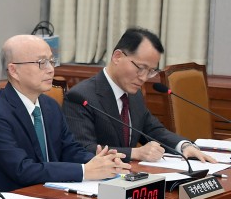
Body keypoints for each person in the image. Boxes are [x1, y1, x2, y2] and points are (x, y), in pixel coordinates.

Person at [0, 35, 129, 195]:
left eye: (51, 61)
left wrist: (99, 162)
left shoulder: (50, 106)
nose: (50, 69)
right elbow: (22, 169)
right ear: (14, 70)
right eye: (41, 63)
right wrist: (84, 171)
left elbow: (69, 149)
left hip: (48, 193)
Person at [63, 28, 216, 163]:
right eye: (140, 68)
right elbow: (83, 149)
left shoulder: (133, 95)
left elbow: (153, 130)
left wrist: (184, 146)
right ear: (117, 57)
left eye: (150, 71)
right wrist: (135, 153)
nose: (143, 78)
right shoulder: (80, 97)